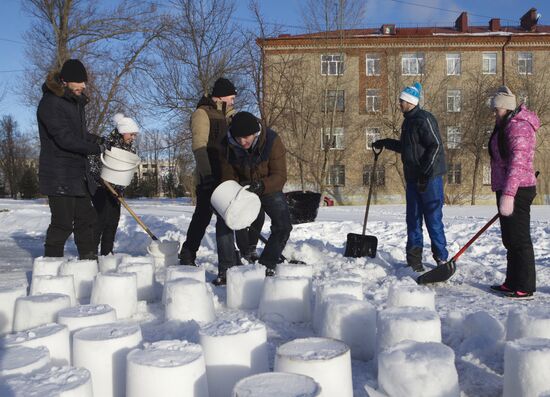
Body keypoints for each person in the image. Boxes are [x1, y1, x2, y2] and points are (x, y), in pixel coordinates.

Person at [373, 82, 448, 272]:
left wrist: (425, 172)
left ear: (410, 102)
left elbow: (436, 146)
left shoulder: (425, 119)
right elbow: (406, 148)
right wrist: (385, 142)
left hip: (430, 179)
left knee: (433, 218)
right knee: (413, 218)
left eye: (401, 101)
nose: (399, 104)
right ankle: (414, 260)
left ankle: (441, 257)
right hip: (413, 178)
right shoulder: (408, 121)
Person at [37, 59, 106, 260]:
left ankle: (88, 262)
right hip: (59, 174)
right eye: (79, 81)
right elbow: (64, 138)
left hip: (77, 173)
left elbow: (79, 134)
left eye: (84, 82)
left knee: (86, 220)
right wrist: (95, 148)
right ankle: (49, 267)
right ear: (65, 81)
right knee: (63, 224)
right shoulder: (50, 103)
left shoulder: (74, 103)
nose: (84, 86)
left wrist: (99, 140)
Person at [213, 111, 292, 285]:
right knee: (223, 219)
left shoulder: (272, 141)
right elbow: (227, 177)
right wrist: (235, 196)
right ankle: (226, 268)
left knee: (283, 224)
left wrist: (262, 186)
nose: (242, 142)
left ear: (255, 132)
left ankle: (266, 265)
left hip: (267, 185)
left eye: (246, 137)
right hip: (240, 187)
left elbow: (280, 176)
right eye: (238, 138)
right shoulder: (226, 144)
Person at [178, 77, 247, 267]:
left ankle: (233, 255)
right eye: (231, 97)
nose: (233, 101)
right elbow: (199, 146)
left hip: (228, 176)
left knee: (229, 216)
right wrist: (206, 175)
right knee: (202, 215)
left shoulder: (231, 116)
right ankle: (188, 253)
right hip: (208, 175)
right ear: (221, 97)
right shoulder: (202, 113)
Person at [488, 86, 539, 299]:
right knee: (509, 239)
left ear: (507, 108)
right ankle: (512, 281)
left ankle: (525, 286)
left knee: (519, 239)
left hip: (518, 190)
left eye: (497, 109)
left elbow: (518, 164)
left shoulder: (519, 127)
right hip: (507, 188)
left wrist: (508, 195)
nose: (495, 113)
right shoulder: (506, 125)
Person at [88, 113, 138, 256]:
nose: (133, 138)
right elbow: (93, 161)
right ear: (122, 131)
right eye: (131, 134)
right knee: (100, 220)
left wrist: (120, 189)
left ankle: (107, 254)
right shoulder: (107, 143)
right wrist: (100, 179)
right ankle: (90, 254)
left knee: (112, 222)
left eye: (135, 135)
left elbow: (127, 172)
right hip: (101, 188)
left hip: (117, 191)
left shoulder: (131, 150)